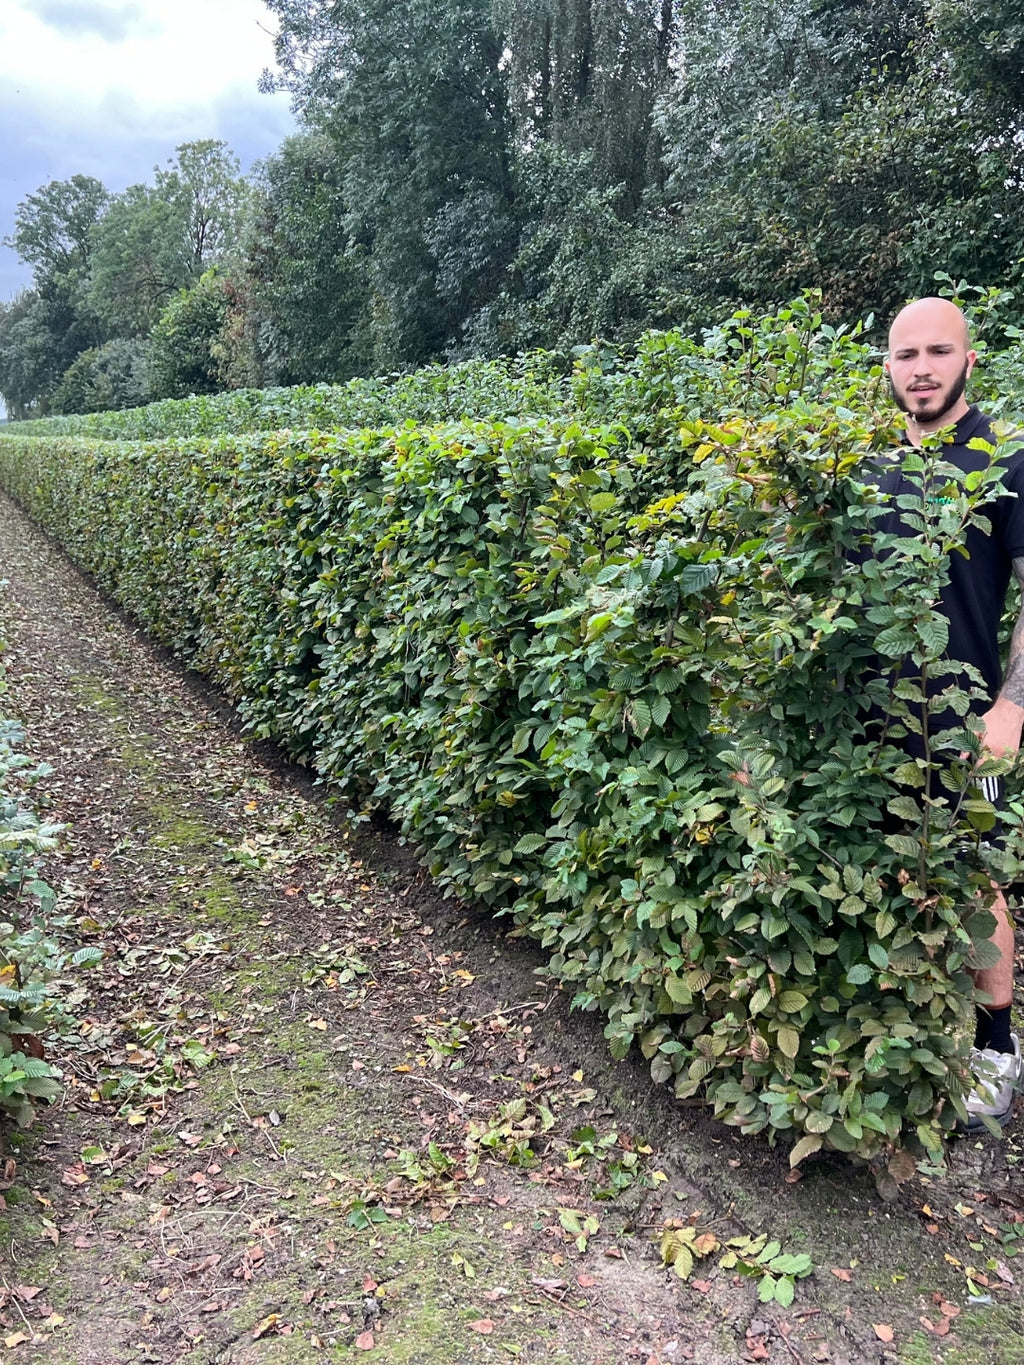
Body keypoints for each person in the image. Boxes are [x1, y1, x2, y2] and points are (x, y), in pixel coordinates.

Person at [882, 296, 1024, 1129]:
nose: (923, 368)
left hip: (971, 725)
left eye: (939, 352)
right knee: (891, 867)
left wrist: (1010, 707)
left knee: (980, 877)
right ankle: (905, 1027)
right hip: (875, 721)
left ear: (970, 359)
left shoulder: (1005, 458)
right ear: (889, 368)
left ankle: (995, 1044)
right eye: (907, 355)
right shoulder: (867, 465)